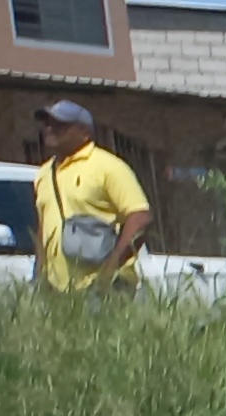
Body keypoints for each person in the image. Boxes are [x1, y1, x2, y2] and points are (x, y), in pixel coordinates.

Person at [30, 98, 149, 294]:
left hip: (102, 286)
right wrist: (39, 275)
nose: (50, 129)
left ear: (84, 132)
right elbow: (44, 227)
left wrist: (111, 269)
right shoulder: (44, 173)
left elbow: (140, 218)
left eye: (60, 125)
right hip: (56, 289)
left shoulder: (108, 166)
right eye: (47, 124)